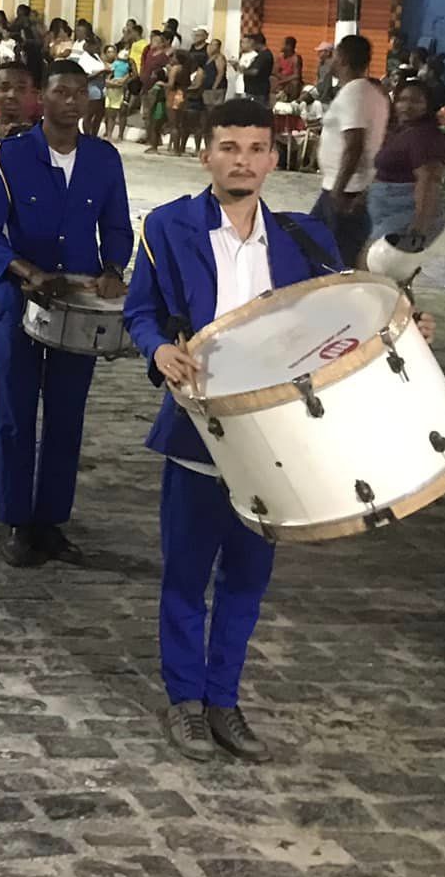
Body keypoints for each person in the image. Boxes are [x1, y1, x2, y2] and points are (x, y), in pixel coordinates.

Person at [125, 98, 357, 764]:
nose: (243, 161)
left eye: (256, 149)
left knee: (248, 577)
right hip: (199, 432)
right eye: (229, 148)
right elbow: (141, 311)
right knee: (186, 574)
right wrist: (156, 349)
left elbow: (347, 312)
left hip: (277, 439)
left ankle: (224, 699)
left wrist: (407, 319)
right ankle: (186, 701)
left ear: (273, 160)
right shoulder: (168, 227)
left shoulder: (304, 239)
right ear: (207, 155)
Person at [0, 59, 133, 567]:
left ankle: (52, 522)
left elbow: (118, 227)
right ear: (43, 97)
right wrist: (26, 272)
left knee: (67, 416)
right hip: (21, 300)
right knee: (16, 416)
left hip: (79, 308)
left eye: (80, 93)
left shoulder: (104, 160)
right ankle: (17, 522)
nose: (71, 101)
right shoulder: (10, 157)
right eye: (62, 92)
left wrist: (112, 268)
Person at [314, 34, 389, 266]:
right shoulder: (372, 92)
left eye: (334, 55)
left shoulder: (353, 93)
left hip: (346, 188)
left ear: (342, 58)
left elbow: (354, 144)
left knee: (332, 254)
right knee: (315, 242)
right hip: (352, 185)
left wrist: (338, 189)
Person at [369, 76, 445, 254]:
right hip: (387, 209)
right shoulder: (404, 130)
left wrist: (419, 227)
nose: (406, 106)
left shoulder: (424, 136)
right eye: (402, 100)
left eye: (415, 101)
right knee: (388, 263)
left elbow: (428, 181)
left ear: (427, 105)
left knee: (377, 260)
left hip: (406, 212)